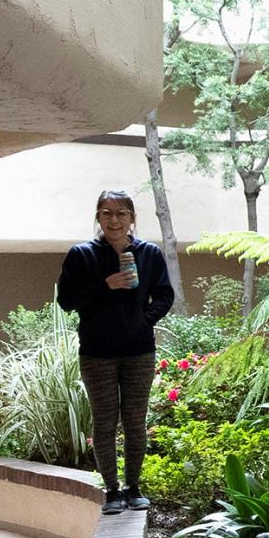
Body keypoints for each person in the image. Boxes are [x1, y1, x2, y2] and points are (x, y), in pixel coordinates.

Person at [55, 189, 175, 513]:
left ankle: (133, 486)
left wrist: (143, 321)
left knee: (135, 420)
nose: (114, 220)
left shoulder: (149, 253)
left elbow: (164, 295)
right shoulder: (82, 255)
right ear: (98, 216)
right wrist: (104, 285)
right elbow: (66, 301)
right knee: (104, 421)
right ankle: (111, 490)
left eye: (122, 213)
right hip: (97, 352)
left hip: (138, 351)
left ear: (132, 218)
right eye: (107, 213)